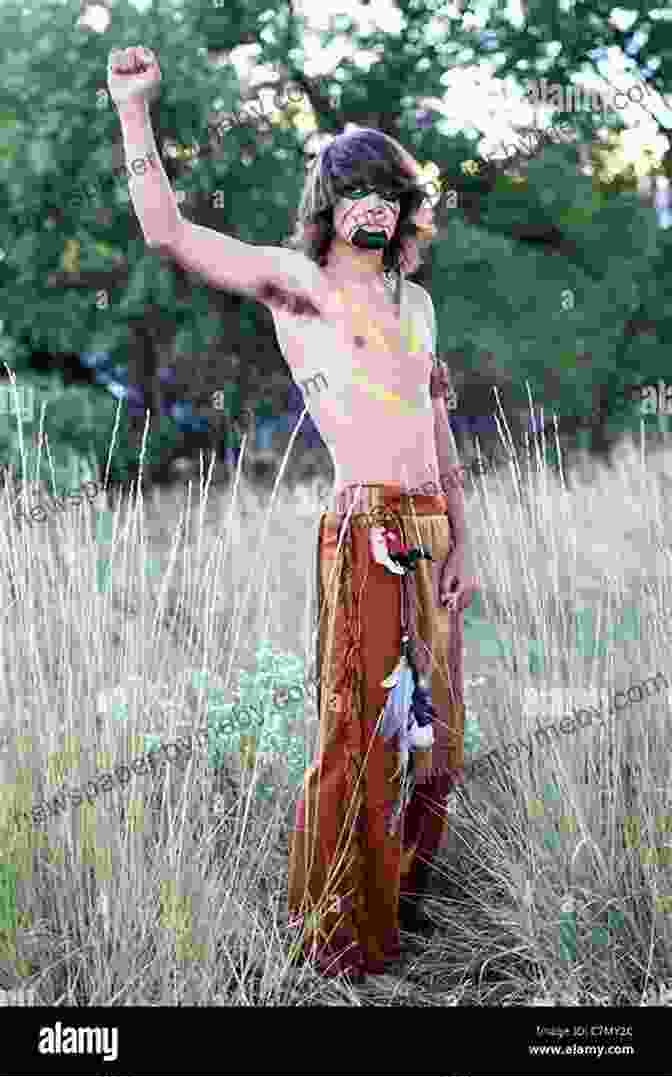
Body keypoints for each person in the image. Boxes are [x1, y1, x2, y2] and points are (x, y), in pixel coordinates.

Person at [107, 45, 479, 981]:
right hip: (366, 528)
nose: (377, 208)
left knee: (434, 747)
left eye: (391, 194)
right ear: (329, 202)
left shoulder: (421, 303)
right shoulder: (298, 284)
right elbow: (168, 235)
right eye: (359, 191)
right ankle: (339, 946)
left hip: (433, 528)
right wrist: (134, 111)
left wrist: (463, 541)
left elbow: (437, 427)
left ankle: (403, 912)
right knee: (357, 734)